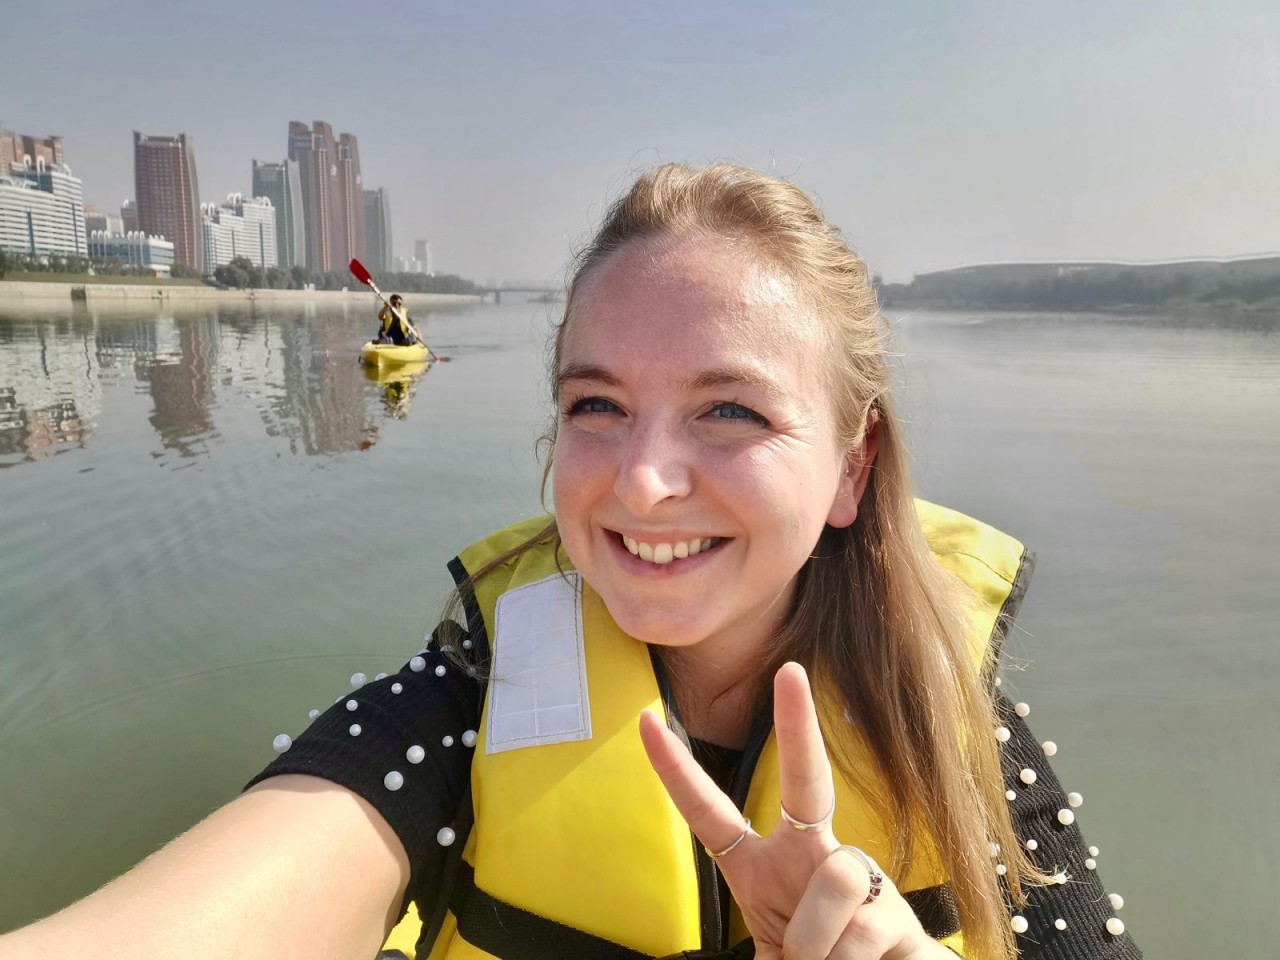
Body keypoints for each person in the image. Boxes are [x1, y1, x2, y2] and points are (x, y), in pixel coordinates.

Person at [0, 164, 1140, 960]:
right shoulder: (458, 709)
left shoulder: (946, 723)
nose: (640, 482)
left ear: (852, 466)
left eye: (730, 411)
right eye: (595, 404)